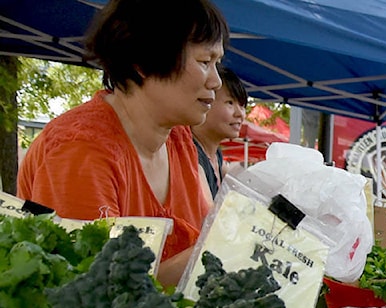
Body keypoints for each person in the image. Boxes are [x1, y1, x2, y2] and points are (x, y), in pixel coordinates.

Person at [17, 0, 228, 287]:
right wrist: (227, 247)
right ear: (143, 62)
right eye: (205, 62)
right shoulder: (80, 149)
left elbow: (203, 236)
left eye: (218, 64)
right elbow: (92, 293)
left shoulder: (178, 138)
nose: (216, 81)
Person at [192, 66, 248, 200]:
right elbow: (210, 217)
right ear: (205, 101)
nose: (240, 113)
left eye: (242, 106)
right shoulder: (190, 156)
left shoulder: (216, 155)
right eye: (230, 103)